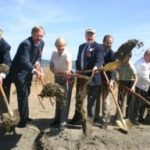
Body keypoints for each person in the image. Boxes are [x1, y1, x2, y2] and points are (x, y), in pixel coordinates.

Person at [6, 26, 45, 128]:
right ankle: (23, 121)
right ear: (32, 34)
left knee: (26, 94)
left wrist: (37, 62)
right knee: (23, 95)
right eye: (37, 35)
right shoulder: (25, 44)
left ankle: (24, 116)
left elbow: (39, 56)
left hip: (28, 73)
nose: (39, 38)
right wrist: (34, 70)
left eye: (41, 36)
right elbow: (24, 61)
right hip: (18, 73)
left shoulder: (41, 43)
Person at [70, 28, 104, 125]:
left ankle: (89, 121)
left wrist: (96, 66)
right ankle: (77, 117)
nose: (89, 36)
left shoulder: (98, 47)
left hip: (93, 78)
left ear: (95, 36)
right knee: (79, 98)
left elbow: (100, 59)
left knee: (91, 101)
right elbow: (77, 60)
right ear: (85, 36)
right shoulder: (81, 46)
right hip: (81, 77)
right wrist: (77, 69)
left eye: (91, 34)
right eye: (88, 34)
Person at [50, 37, 73, 130]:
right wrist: (53, 71)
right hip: (57, 78)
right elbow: (51, 65)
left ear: (65, 45)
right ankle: (57, 119)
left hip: (66, 78)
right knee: (58, 99)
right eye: (59, 46)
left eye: (62, 46)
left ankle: (63, 122)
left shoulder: (67, 53)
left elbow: (69, 63)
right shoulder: (54, 53)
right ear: (56, 46)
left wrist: (68, 70)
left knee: (64, 100)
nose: (60, 48)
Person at [95, 35, 115, 128]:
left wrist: (111, 81)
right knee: (96, 99)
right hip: (97, 78)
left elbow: (113, 69)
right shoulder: (98, 49)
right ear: (103, 42)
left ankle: (105, 121)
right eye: (107, 42)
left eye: (111, 43)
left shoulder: (112, 54)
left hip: (107, 80)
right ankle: (95, 117)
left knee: (105, 100)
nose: (109, 44)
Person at [117, 53, 138, 123]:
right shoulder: (120, 64)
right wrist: (117, 80)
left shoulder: (131, 66)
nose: (126, 58)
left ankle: (129, 118)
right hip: (122, 82)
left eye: (128, 57)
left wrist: (133, 87)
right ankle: (118, 116)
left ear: (130, 57)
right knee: (120, 100)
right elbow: (115, 71)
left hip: (130, 83)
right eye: (125, 57)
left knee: (130, 101)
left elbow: (136, 77)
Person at [134, 49, 150, 124]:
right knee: (138, 103)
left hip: (145, 86)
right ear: (146, 55)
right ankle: (136, 118)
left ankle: (140, 117)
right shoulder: (141, 63)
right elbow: (144, 77)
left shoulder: (147, 62)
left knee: (143, 103)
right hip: (139, 85)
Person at [0, 28, 11, 128]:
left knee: (2, 101)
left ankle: (3, 122)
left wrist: (1, 75)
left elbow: (7, 63)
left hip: (3, 76)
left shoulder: (5, 46)